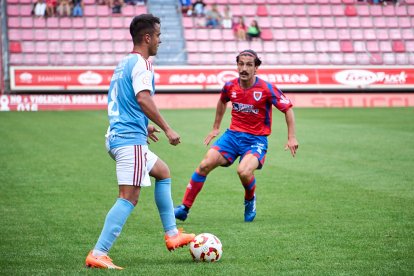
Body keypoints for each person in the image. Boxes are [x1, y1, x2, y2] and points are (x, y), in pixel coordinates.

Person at [85, 14, 195, 270]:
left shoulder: (124, 63)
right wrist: (168, 129)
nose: (160, 40)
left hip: (119, 135)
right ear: (147, 37)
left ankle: (172, 235)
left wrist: (143, 124)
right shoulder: (142, 65)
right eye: (157, 36)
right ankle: (99, 252)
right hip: (128, 141)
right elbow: (143, 98)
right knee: (128, 197)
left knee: (163, 172)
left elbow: (122, 99)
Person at [174, 49, 299, 223]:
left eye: (249, 65)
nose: (244, 68)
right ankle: (184, 208)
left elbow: (288, 109)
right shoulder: (230, 86)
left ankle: (250, 200)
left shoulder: (266, 88)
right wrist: (215, 127)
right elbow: (222, 101)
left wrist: (291, 137)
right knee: (204, 165)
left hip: (256, 140)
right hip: (232, 136)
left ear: (256, 68)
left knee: (244, 171)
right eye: (241, 64)